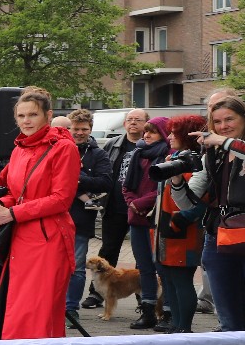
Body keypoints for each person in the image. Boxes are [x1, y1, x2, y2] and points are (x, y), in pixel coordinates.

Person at [0, 86, 80, 339]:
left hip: (48, 240)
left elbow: (61, 199)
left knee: (37, 313)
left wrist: (12, 213)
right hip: (22, 236)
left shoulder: (63, 148)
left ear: (48, 115)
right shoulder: (19, 149)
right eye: (21, 116)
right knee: (15, 309)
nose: (26, 121)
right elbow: (16, 193)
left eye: (33, 115)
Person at [187, 95, 245, 345]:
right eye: (217, 122)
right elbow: (191, 199)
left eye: (229, 120)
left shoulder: (233, 146)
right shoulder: (214, 152)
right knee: (230, 322)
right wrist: (178, 180)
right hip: (220, 236)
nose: (223, 126)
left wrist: (223, 143)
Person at [87, 108, 148, 310]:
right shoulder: (113, 144)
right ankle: (97, 293)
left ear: (146, 124)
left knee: (142, 254)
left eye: (138, 119)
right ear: (124, 124)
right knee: (108, 250)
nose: (133, 123)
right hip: (114, 206)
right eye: (130, 119)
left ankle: (143, 297)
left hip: (141, 209)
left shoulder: (151, 146)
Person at [151, 115, 206, 334]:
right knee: (169, 281)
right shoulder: (174, 157)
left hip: (183, 230)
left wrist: (179, 219)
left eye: (175, 133)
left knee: (181, 280)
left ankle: (184, 328)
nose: (170, 137)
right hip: (166, 229)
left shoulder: (195, 162)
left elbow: (199, 198)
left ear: (187, 136)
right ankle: (176, 325)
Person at [63, 109, 116, 320]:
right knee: (52, 266)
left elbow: (106, 182)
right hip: (54, 216)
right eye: (75, 128)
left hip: (80, 220)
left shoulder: (98, 154)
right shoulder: (58, 149)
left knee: (76, 267)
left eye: (84, 129)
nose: (79, 133)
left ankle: (71, 309)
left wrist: (76, 177)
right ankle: (52, 305)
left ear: (90, 129)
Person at [121, 118, 172, 330]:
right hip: (137, 218)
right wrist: (133, 203)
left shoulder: (168, 155)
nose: (146, 135)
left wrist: (140, 203)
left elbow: (164, 187)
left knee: (162, 267)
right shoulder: (138, 154)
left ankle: (168, 312)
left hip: (157, 219)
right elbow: (126, 185)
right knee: (144, 268)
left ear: (164, 133)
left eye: (152, 132)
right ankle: (148, 310)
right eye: (146, 132)